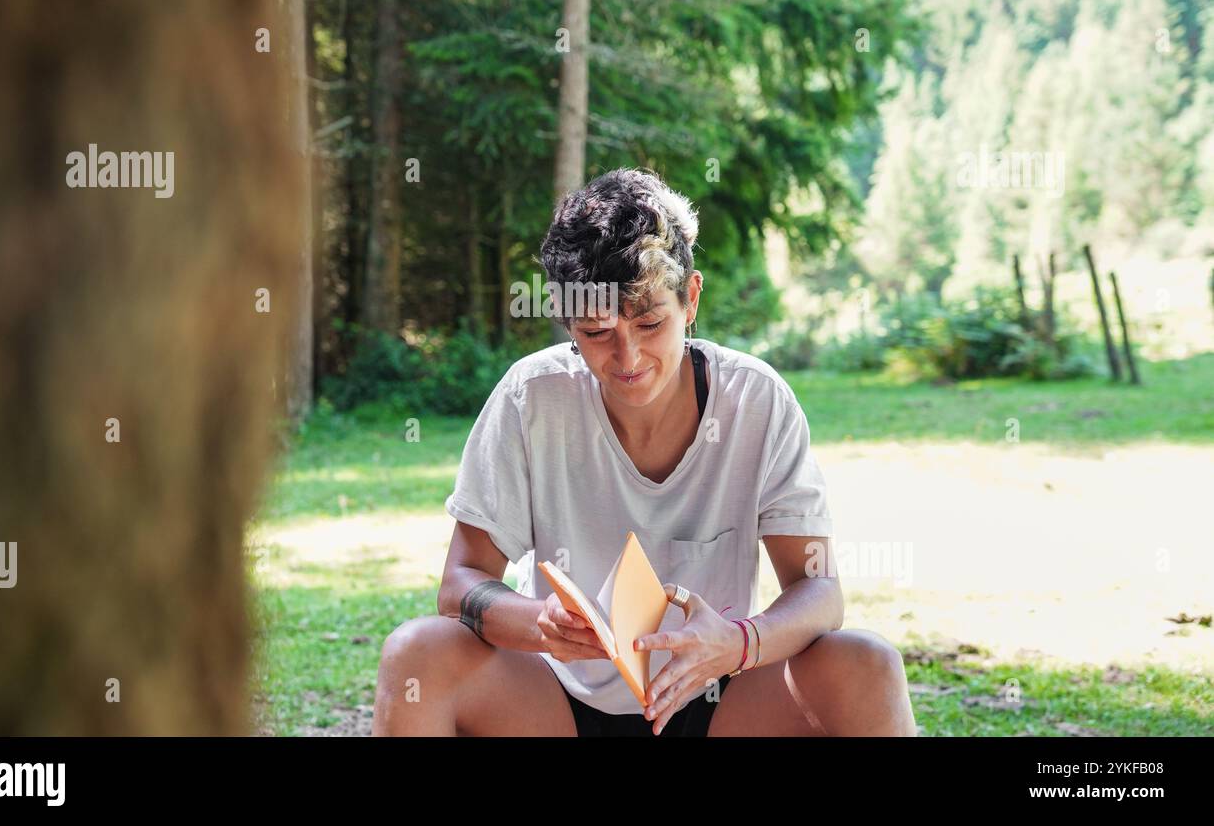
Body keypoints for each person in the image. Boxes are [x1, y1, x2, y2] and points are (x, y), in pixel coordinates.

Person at [373, 168, 917, 736]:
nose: (627, 358)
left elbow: (820, 591)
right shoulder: (531, 397)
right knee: (418, 653)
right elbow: (460, 582)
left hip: (720, 702)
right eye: (596, 332)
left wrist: (737, 643)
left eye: (650, 322)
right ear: (567, 323)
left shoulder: (755, 400)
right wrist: (540, 622)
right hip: (561, 703)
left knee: (867, 665)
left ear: (691, 299)